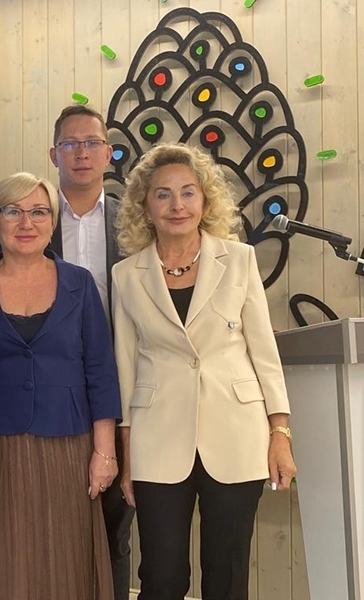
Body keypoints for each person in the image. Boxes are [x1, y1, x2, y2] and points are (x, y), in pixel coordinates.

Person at [111, 143, 297, 599]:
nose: (177, 205)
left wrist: (280, 433)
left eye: (188, 192)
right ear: (145, 207)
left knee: (227, 575)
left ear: (205, 200)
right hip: (157, 439)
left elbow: (264, 352)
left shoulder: (239, 259)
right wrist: (127, 456)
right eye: (163, 194)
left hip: (236, 432)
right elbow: (125, 367)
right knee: (161, 576)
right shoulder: (125, 275)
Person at [0, 172, 121, 600]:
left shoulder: (79, 283)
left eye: (38, 212)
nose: (26, 222)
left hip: (68, 445)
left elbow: (100, 370)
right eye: (13, 211)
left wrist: (105, 452)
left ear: (52, 222)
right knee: (3, 561)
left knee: (62, 559)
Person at [49, 104, 135, 599]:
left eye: (91, 143)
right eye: (70, 144)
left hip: (122, 385)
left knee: (115, 527)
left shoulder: (133, 220)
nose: (81, 153)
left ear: (108, 153)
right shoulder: (33, 217)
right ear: (54, 154)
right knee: (55, 526)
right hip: (54, 390)